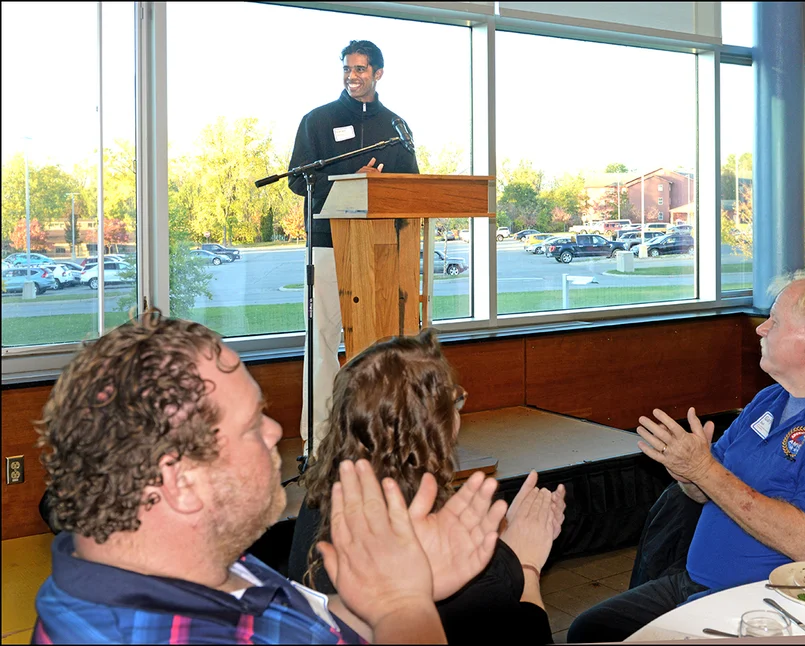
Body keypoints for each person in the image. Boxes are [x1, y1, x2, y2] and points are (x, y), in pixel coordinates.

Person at [32, 310, 503, 644]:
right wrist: (407, 608)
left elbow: (304, 627)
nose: (276, 431)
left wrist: (386, 594)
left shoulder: (202, 568)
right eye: (253, 423)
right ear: (179, 482)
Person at [567, 275, 805, 643]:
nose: (762, 330)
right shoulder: (771, 400)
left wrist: (704, 470)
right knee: (591, 629)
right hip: (699, 584)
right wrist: (687, 472)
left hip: (776, 605)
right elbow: (706, 491)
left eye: (775, 320)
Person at [290, 328, 565, 645]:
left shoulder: (321, 500)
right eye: (455, 403)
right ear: (432, 430)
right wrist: (527, 562)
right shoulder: (466, 575)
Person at [288, 39, 419, 457]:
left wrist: (382, 187)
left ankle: (375, 436)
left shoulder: (397, 126)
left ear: (378, 73)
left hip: (380, 248)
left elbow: (412, 188)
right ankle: (320, 440)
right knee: (323, 341)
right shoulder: (318, 120)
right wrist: (349, 180)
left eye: (361, 69)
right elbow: (297, 181)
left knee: (376, 345)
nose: (352, 75)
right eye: (347, 68)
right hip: (329, 244)